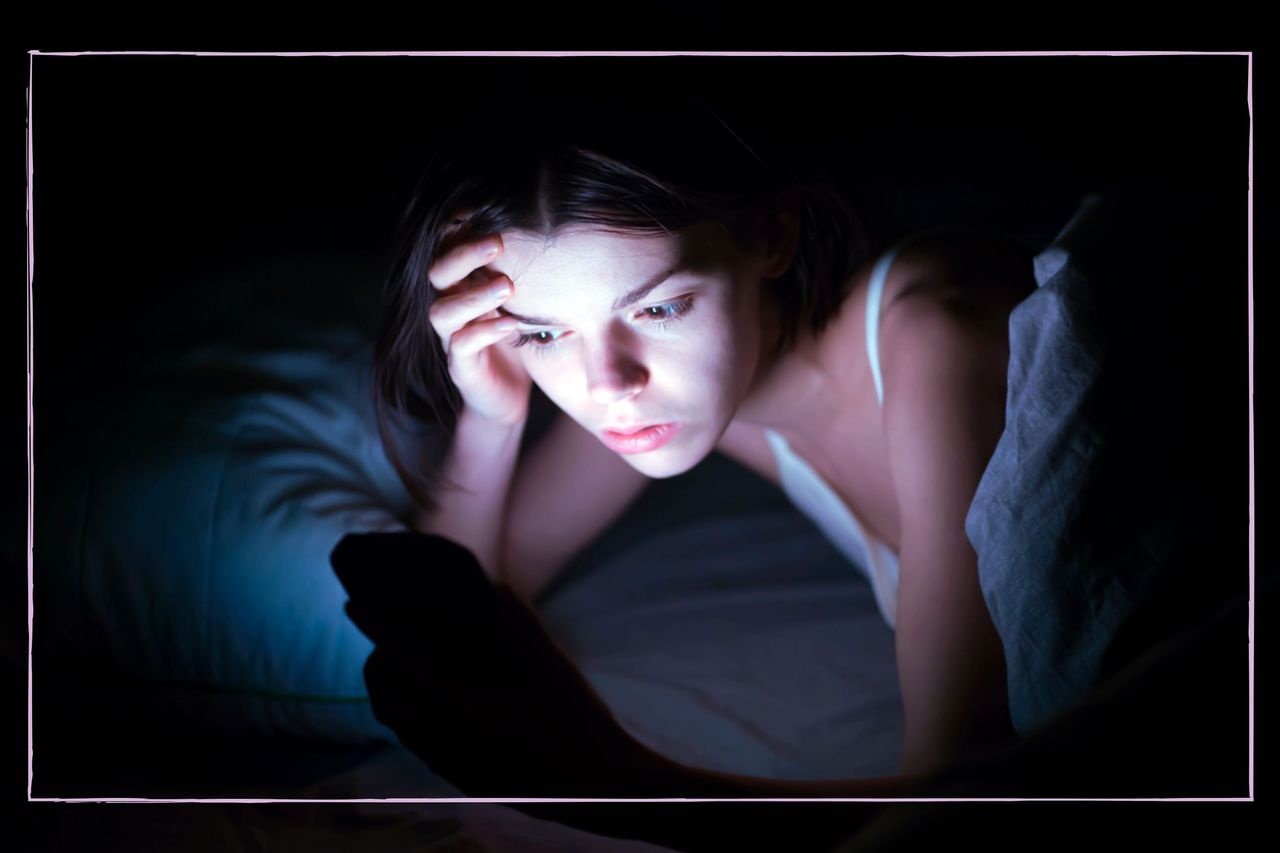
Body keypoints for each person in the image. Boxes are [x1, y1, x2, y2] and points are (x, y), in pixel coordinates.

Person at [351, 66, 1039, 799]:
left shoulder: (936, 332)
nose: (608, 382)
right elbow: (478, 588)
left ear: (772, 235)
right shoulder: (666, 398)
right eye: (547, 333)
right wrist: (493, 419)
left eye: (659, 310)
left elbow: (952, 804)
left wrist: (616, 782)